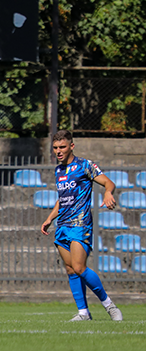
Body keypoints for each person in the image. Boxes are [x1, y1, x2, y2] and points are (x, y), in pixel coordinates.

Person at [40, 130, 123, 322]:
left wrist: (107, 193)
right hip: (62, 225)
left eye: (62, 147)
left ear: (71, 146)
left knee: (79, 266)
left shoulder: (85, 165)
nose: (58, 151)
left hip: (80, 223)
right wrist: (50, 218)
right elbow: (62, 199)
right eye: (55, 148)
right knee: (70, 270)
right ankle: (83, 313)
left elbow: (108, 183)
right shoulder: (58, 170)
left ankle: (109, 305)